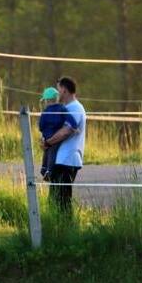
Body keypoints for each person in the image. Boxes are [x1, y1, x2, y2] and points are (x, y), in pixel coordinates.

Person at [41, 76, 86, 214]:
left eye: (59, 89)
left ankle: (65, 229)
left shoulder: (74, 108)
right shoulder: (65, 108)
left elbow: (65, 131)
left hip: (66, 160)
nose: (57, 93)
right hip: (60, 160)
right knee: (56, 200)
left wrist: (48, 142)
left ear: (65, 91)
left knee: (62, 201)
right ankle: (57, 229)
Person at [38, 86, 77, 181]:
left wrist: (43, 133)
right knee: (53, 151)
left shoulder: (45, 112)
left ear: (46, 100)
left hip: (46, 136)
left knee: (47, 151)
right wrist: (74, 127)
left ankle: (44, 169)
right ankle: (49, 171)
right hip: (56, 135)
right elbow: (72, 121)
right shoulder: (62, 109)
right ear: (57, 98)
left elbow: (40, 125)